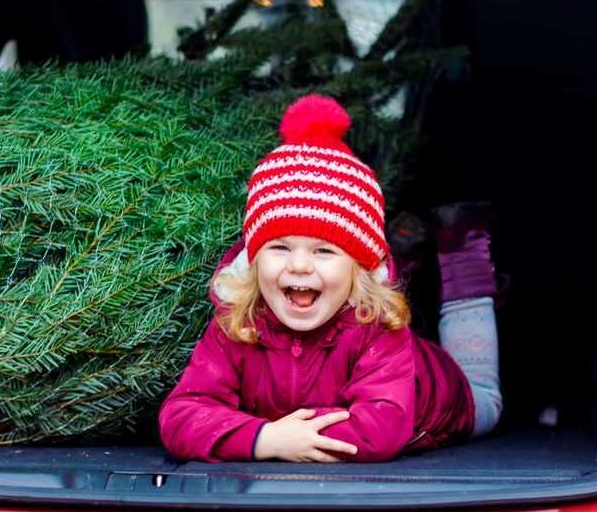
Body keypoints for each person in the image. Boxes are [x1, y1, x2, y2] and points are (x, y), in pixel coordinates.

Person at [159, 94, 502, 463]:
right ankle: (406, 243)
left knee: (486, 398)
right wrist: (266, 438)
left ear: (359, 270)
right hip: (354, 363)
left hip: (445, 396)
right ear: (253, 261)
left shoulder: (378, 329)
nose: (300, 265)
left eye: (323, 250)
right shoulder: (238, 324)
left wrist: (289, 434)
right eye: (280, 248)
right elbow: (180, 416)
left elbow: (380, 428)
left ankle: (461, 246)